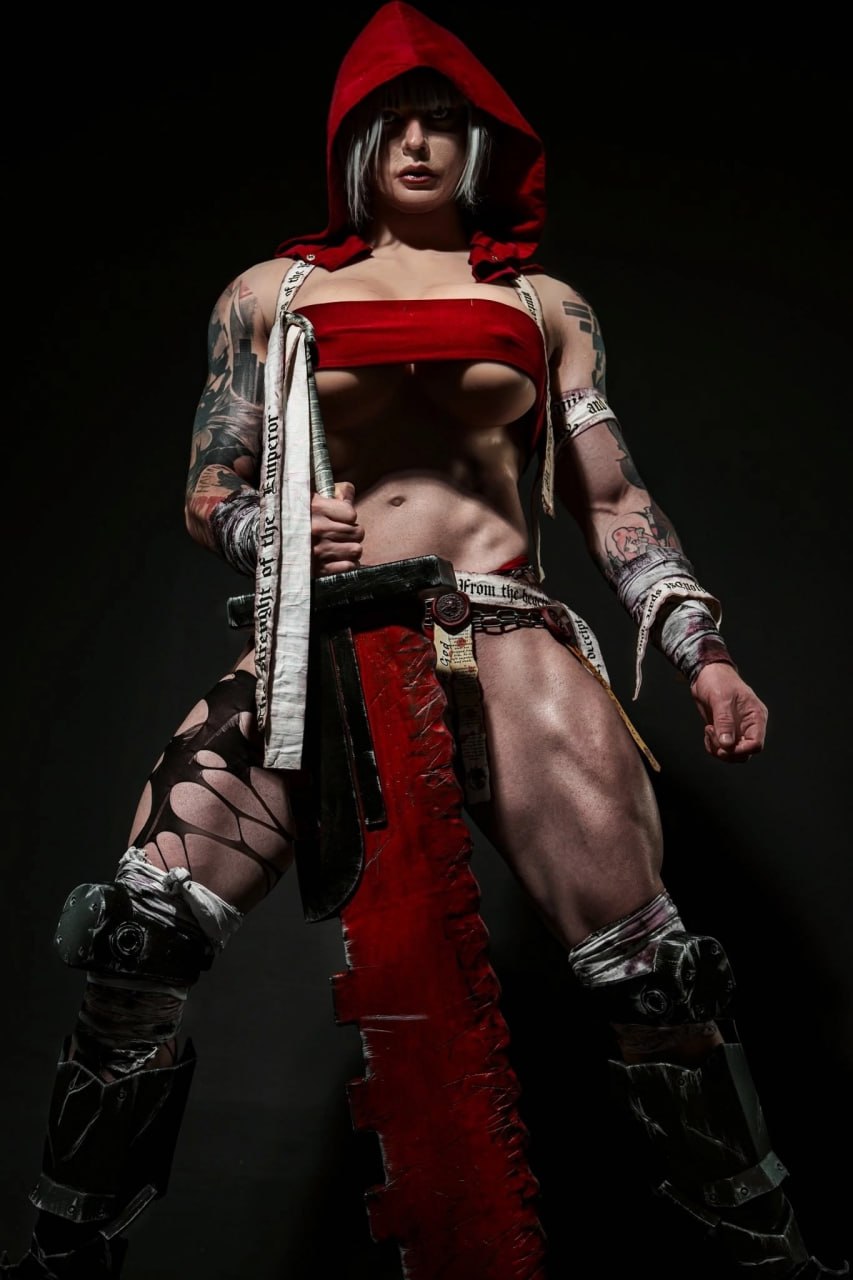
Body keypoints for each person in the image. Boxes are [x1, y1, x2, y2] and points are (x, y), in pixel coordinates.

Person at [2, 3, 846, 1277]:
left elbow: (612, 500)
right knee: (134, 939)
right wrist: (272, 530)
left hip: (500, 635)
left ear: (479, 143)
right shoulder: (272, 296)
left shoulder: (541, 304)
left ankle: (773, 1261)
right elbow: (209, 486)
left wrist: (700, 648)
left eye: (441, 121)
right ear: (351, 143)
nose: (415, 143)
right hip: (316, 642)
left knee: (658, 982)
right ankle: (61, 1261)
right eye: (389, 122)